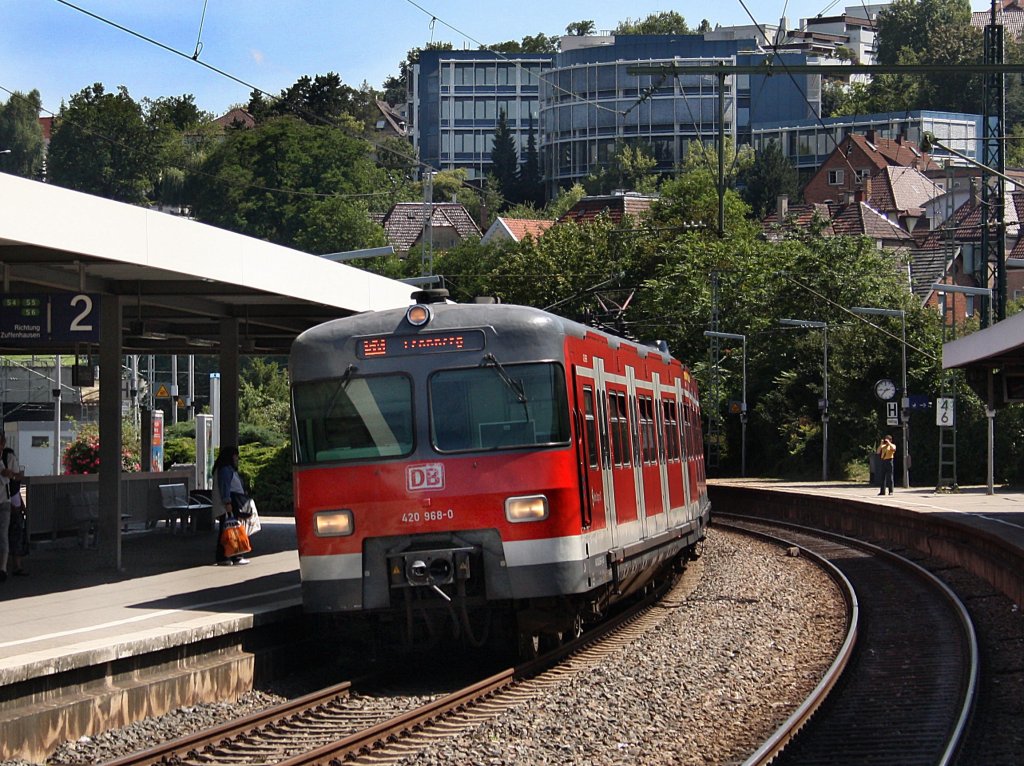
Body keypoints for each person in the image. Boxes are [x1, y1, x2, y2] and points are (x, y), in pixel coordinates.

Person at [213, 445, 251, 566]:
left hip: (228, 503)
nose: (237, 458)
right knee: (231, 530)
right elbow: (225, 487)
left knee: (227, 530)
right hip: (228, 504)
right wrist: (227, 502)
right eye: (235, 455)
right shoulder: (225, 470)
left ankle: (228, 556)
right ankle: (233, 555)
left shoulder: (224, 468)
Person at [2, 433, 27, 577]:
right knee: (15, 532)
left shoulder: (7, 456)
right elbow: (17, 478)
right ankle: (15, 565)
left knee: (10, 533)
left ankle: (9, 566)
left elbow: (16, 478)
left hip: (10, 498)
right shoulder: (9, 455)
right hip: (12, 499)